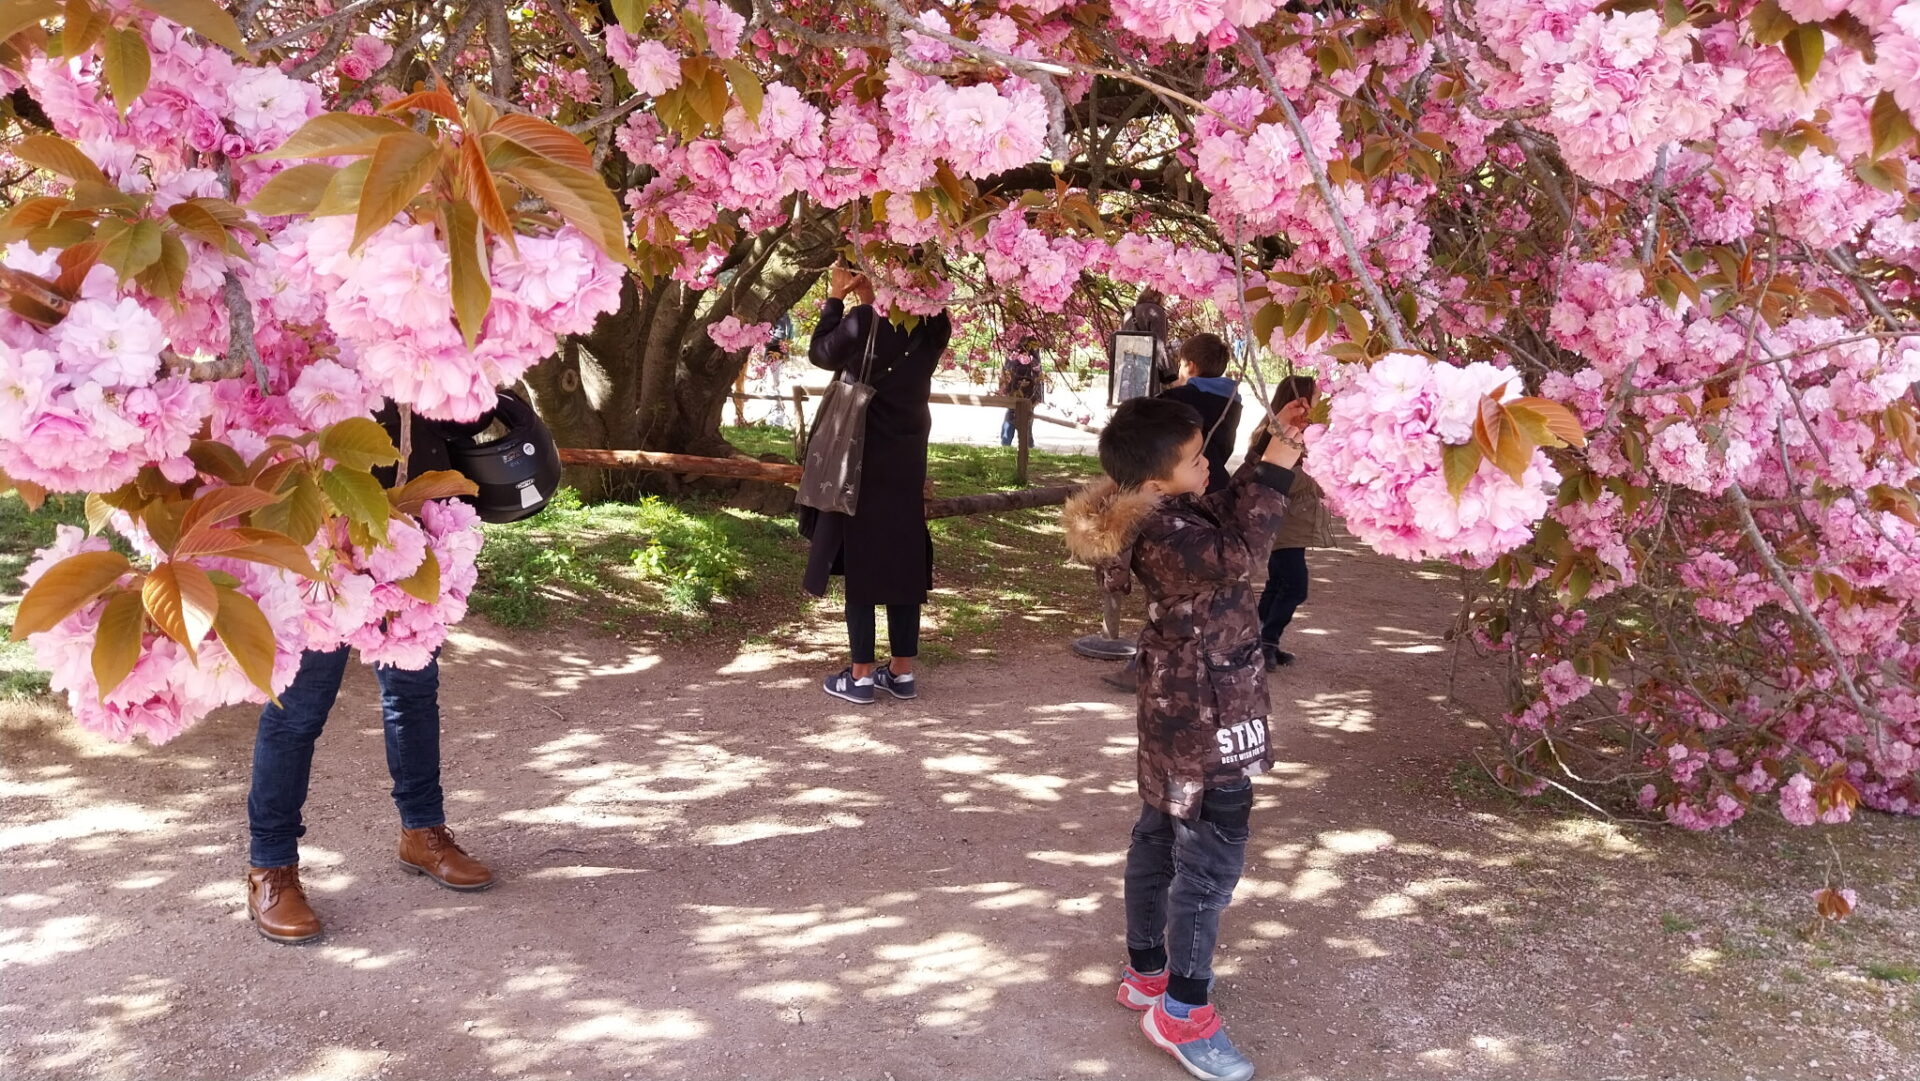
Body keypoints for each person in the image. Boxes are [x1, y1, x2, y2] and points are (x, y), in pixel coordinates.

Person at [1062, 392, 1309, 1081]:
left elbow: (1224, 512)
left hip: (1184, 697)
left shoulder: (1160, 510)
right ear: (1153, 484)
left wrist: (1269, 440)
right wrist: (1281, 466)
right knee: (1212, 847)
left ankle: (1148, 968)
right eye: (1197, 459)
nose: (1210, 464)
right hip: (1208, 705)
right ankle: (1182, 1007)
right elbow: (1239, 550)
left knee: (1162, 830)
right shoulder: (1165, 532)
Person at [245, 402, 497, 945]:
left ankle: (423, 832)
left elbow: (466, 414)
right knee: (299, 707)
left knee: (413, 690)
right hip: (318, 531)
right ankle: (271, 866)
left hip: (407, 525)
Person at [803, 268, 952, 705]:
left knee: (864, 555)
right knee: (903, 554)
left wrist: (836, 298)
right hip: (907, 455)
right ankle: (902, 671)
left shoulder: (864, 321)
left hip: (861, 453)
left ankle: (862, 674)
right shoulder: (937, 324)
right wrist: (872, 297)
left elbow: (821, 353)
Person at [1247, 376, 1328, 670]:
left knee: (1278, 583)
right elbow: (1271, 478)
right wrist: (1317, 475)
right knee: (1295, 587)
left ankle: (1256, 641)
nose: (1321, 402)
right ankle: (1266, 640)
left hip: (1291, 525)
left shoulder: (1302, 432)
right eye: (1317, 397)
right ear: (1301, 401)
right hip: (1281, 525)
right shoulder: (1281, 434)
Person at [1159, 333, 1244, 493]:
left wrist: (1175, 391)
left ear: (1190, 366)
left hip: (1191, 487)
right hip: (1217, 483)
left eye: (1181, 365)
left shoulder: (1179, 398)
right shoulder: (1231, 401)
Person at [1119, 288, 1174, 393]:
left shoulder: (1129, 313)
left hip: (1127, 368)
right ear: (1159, 296)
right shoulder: (1156, 311)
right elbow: (1159, 346)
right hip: (1147, 370)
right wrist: (1170, 376)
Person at [997, 333, 1046, 447]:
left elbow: (1036, 369)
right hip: (1020, 384)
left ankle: (1013, 443)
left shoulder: (1016, 340)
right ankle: (1023, 444)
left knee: (1016, 413)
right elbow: (1037, 370)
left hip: (1021, 384)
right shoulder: (1024, 341)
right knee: (1021, 414)